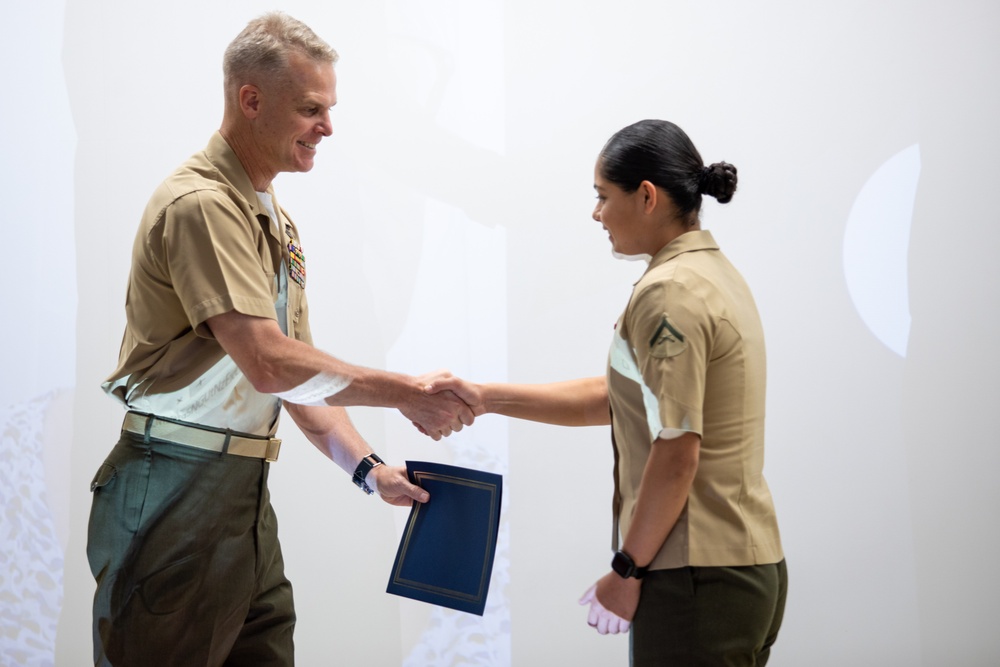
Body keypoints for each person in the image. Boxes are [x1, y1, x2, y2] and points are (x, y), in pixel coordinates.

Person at [86, 12, 474, 666]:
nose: (327, 126)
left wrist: (369, 469)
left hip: (242, 498)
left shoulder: (276, 219)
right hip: (171, 490)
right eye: (311, 108)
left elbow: (298, 380)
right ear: (251, 99)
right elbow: (269, 362)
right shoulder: (201, 204)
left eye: (329, 108)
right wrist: (405, 390)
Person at [431, 119, 787, 665]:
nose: (595, 214)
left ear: (646, 196)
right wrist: (486, 396)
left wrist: (627, 568)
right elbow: (623, 399)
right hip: (739, 568)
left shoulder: (669, 291)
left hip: (695, 576)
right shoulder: (713, 275)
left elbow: (676, 447)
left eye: (602, 196)